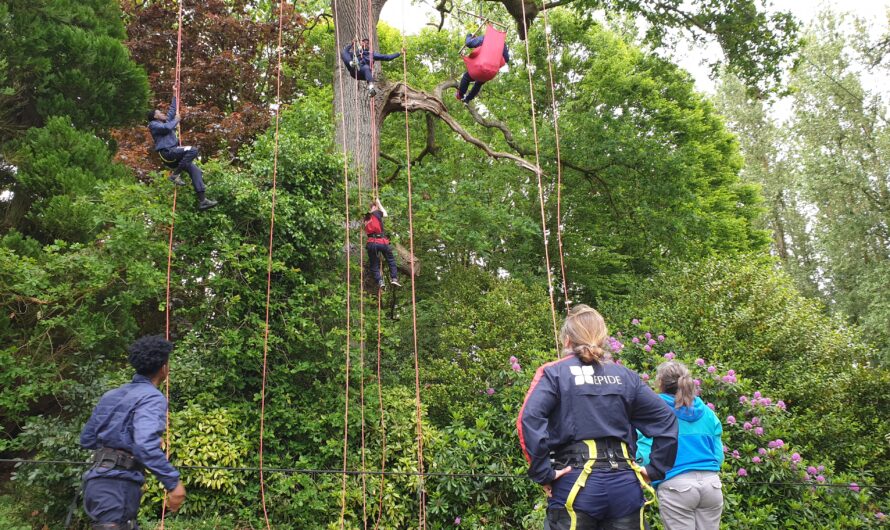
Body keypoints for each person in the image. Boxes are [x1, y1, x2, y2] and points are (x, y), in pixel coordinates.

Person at [518, 305, 678, 530]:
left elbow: (529, 419)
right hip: (624, 486)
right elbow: (666, 419)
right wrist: (654, 469)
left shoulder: (554, 372)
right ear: (603, 338)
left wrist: (543, 472)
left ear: (566, 340)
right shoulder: (625, 376)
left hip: (575, 485)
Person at [80, 335, 187, 529]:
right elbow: (144, 444)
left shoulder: (111, 395)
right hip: (117, 486)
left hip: (95, 484)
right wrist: (173, 483)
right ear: (164, 368)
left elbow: (87, 439)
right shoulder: (152, 397)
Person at [636, 361, 724, 530]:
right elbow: (718, 456)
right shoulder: (707, 412)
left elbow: (646, 452)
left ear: (660, 383)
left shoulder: (655, 409)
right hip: (711, 485)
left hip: (677, 485)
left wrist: (641, 474)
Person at [147, 94, 218, 211]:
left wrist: (174, 95)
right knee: (193, 150)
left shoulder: (166, 121)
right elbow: (167, 128)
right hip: (167, 153)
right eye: (160, 113)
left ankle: (203, 201)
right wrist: (176, 120)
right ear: (155, 116)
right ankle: (175, 175)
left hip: (175, 154)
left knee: (196, 170)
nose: (163, 114)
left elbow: (172, 110)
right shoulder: (153, 125)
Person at [456, 33, 510, 103]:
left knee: (466, 77)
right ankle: (468, 99)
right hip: (491, 72)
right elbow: (507, 59)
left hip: (480, 67)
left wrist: (469, 35)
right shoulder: (502, 43)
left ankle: (460, 95)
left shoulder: (486, 38)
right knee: (479, 83)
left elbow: (469, 43)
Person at [364, 198, 401, 290]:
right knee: (391, 260)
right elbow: (385, 214)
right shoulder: (376, 213)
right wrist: (379, 204)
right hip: (382, 241)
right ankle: (394, 278)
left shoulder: (365, 218)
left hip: (371, 243)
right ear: (374, 207)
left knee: (374, 264)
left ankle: (380, 281)